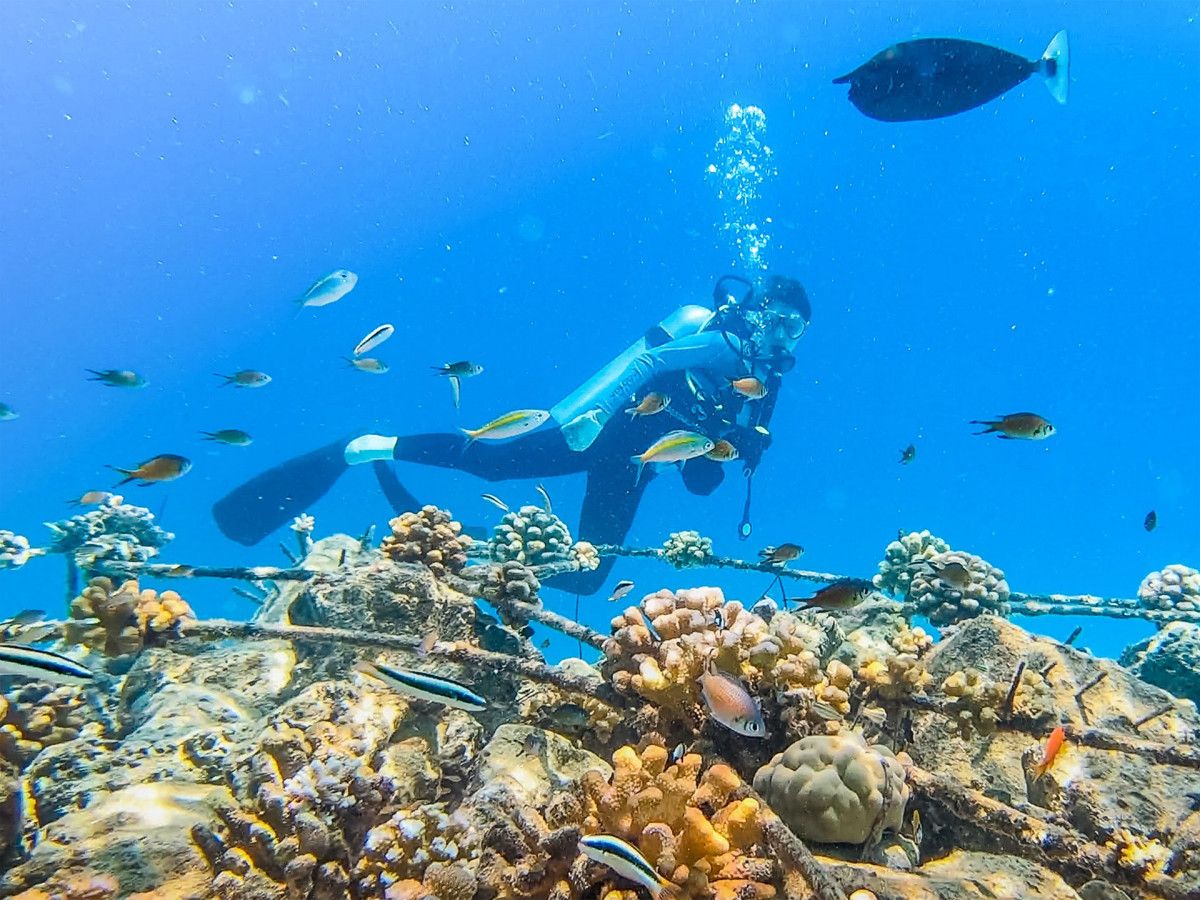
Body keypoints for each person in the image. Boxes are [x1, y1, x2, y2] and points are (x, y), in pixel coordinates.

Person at [212, 273, 811, 594]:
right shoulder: (721, 339)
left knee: (590, 574)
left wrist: (740, 452)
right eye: (782, 322)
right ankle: (370, 445)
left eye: (798, 331)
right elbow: (649, 366)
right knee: (494, 462)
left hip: (635, 462)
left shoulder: (767, 382)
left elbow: (703, 476)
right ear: (760, 313)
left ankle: (472, 541)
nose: (786, 338)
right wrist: (590, 419)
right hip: (600, 430)